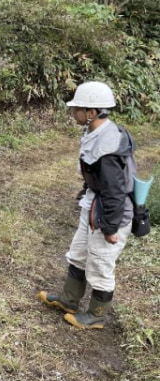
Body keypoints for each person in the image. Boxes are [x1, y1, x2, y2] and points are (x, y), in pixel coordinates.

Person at [38, 81, 136, 329]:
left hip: (109, 212)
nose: (73, 113)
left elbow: (115, 190)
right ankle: (69, 300)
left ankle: (96, 315)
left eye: (77, 109)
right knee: (79, 253)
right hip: (94, 203)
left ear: (91, 113)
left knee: (101, 262)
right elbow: (96, 176)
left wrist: (111, 228)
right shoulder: (96, 132)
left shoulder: (108, 145)